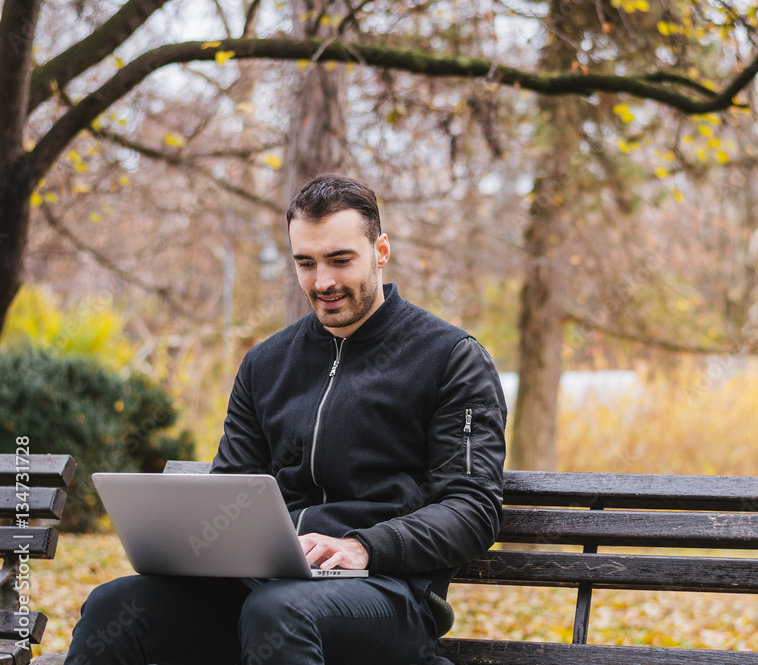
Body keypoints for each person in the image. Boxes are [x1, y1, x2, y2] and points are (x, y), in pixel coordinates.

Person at [64, 173, 507, 665]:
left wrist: (364, 546)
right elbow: (232, 487)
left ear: (381, 251)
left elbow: (472, 507)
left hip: (387, 594)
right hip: (259, 591)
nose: (323, 282)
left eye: (341, 260)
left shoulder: (450, 357)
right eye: (306, 263)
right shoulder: (266, 364)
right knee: (115, 605)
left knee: (278, 610)